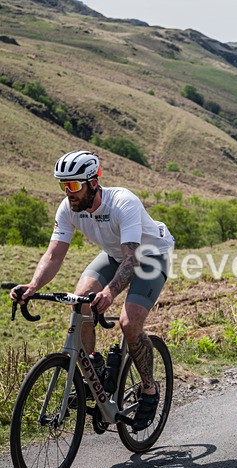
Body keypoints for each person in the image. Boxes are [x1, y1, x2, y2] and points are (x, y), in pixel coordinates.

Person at [9, 150, 174, 432]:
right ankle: (95, 368)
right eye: (63, 185)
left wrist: (109, 293)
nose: (67, 192)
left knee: (129, 323)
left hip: (149, 255)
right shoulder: (68, 209)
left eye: (73, 185)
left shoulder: (123, 202)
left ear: (92, 183)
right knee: (80, 300)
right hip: (114, 254)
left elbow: (132, 259)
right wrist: (33, 286)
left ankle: (149, 389)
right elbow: (54, 255)